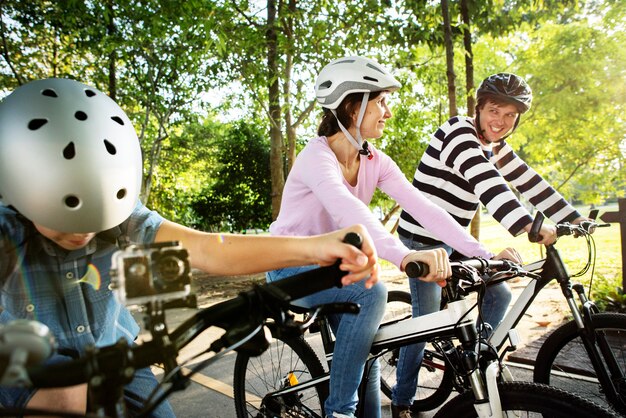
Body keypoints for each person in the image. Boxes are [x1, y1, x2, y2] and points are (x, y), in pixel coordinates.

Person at [0, 78, 380, 417]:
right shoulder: (7, 231)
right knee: (64, 402)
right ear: (20, 182)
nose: (82, 233)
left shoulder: (116, 209)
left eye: (93, 219)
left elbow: (208, 249)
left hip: (112, 353)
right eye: (65, 216)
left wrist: (317, 247)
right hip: (25, 362)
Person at [267, 56, 519, 418]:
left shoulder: (375, 161)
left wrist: (484, 254)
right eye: (381, 102)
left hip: (336, 271)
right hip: (288, 269)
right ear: (353, 106)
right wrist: (404, 257)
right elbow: (350, 213)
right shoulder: (316, 158)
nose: (387, 112)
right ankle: (338, 413)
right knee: (374, 291)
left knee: (365, 357)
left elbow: (427, 210)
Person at [393, 72, 589, 416]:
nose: (501, 121)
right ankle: (402, 401)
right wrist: (527, 224)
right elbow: (488, 184)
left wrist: (576, 218)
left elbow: (530, 182)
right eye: (495, 111)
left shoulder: (496, 147)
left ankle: (476, 360)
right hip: (421, 239)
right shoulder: (458, 133)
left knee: (499, 292)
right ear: (479, 108)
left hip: (455, 237)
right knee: (425, 323)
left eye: (510, 115)